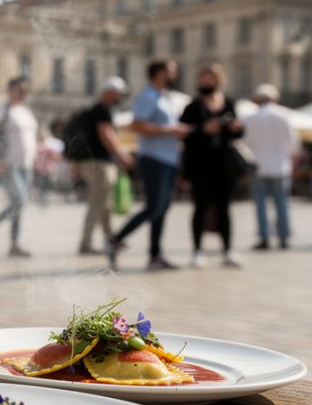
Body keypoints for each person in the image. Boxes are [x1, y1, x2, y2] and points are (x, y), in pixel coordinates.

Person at [107, 60, 191, 271]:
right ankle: (115, 240)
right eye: (172, 70)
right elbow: (136, 125)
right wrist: (170, 131)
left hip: (168, 159)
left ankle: (155, 255)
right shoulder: (147, 96)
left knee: (161, 209)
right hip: (153, 158)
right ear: (160, 73)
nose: (176, 73)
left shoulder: (165, 97)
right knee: (154, 207)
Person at [179, 64, 243, 268]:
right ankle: (197, 250)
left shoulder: (229, 103)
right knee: (200, 206)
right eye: (203, 79)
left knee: (224, 207)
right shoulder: (193, 106)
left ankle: (228, 250)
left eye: (210, 79)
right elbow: (184, 133)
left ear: (218, 80)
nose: (206, 83)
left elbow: (238, 133)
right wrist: (202, 129)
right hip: (200, 164)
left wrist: (236, 128)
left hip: (224, 163)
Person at [76, 77, 135, 255]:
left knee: (104, 204)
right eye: (119, 93)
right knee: (97, 202)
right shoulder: (102, 110)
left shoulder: (98, 110)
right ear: (109, 92)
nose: (120, 97)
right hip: (99, 163)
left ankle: (111, 239)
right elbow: (106, 135)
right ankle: (85, 244)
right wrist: (122, 155)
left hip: (96, 162)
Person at [0, 77, 38, 257]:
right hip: (10, 163)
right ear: (10, 90)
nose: (24, 93)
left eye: (26, 90)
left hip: (26, 165)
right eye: (21, 90)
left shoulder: (26, 111)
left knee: (18, 204)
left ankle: (14, 244)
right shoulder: (2, 110)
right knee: (20, 200)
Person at [243, 84, 300, 251]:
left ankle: (264, 237)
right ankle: (283, 237)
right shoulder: (284, 115)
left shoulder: (250, 117)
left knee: (260, 203)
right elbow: (294, 143)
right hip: (280, 166)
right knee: (282, 203)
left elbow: (245, 143)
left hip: (258, 166)